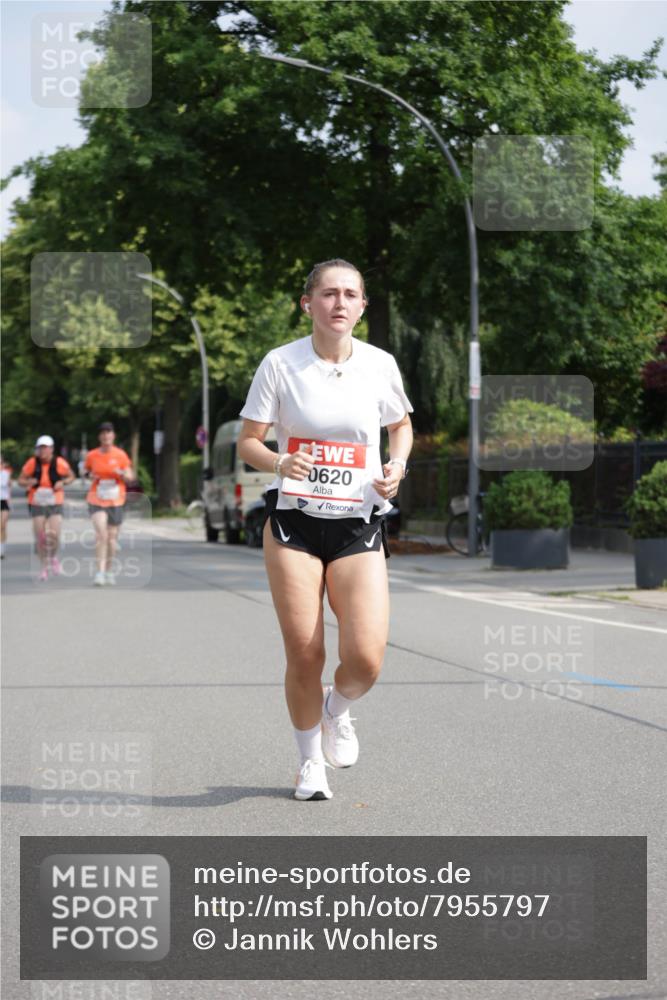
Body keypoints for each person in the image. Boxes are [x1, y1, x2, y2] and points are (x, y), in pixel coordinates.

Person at [238, 259, 413, 801]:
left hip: (358, 523)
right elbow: (248, 441)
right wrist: (277, 463)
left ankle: (338, 711)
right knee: (306, 653)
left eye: (350, 294)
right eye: (329, 293)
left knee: (366, 656)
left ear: (363, 306)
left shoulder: (380, 365)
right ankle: (308, 762)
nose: (339, 303)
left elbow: (400, 426)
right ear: (307, 303)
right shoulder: (280, 364)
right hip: (294, 524)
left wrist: (397, 466)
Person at [17, 435, 75, 581]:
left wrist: (63, 483)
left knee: (54, 533)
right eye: (40, 448)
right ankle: (44, 567)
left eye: (45, 447)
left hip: (55, 500)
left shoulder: (59, 462)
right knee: (40, 535)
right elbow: (20, 480)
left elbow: (71, 476)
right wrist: (28, 482)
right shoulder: (32, 463)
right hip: (37, 501)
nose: (42, 451)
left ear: (51, 449)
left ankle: (53, 557)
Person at [84, 422, 134, 587]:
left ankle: (109, 571)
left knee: (112, 539)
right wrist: (89, 475)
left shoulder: (120, 455)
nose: (106, 436)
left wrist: (124, 474)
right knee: (101, 535)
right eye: (103, 433)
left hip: (116, 499)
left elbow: (130, 475)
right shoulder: (92, 455)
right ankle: (99, 572)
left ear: (113, 436)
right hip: (97, 498)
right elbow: (85, 471)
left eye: (108, 433)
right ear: (99, 437)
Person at [0, 454, 12, 559]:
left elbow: (9, 487)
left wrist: (9, 500)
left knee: (2, 526)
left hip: (3, 502)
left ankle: (2, 549)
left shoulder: (6, 474)